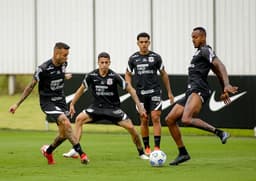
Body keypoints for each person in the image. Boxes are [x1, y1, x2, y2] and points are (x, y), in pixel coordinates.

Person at [165, 27, 238, 166]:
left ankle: (220, 133)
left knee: (186, 119)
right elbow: (217, 72)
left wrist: (227, 85)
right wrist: (224, 89)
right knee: (170, 119)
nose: (193, 40)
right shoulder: (199, 53)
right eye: (192, 37)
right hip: (190, 92)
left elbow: (220, 65)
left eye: (196, 37)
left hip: (199, 90)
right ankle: (183, 153)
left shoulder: (205, 50)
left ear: (203, 37)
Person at [9, 42, 89, 165]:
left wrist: (63, 76)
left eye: (67, 55)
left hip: (61, 101)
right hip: (48, 102)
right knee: (66, 122)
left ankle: (48, 151)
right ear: (56, 54)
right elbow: (30, 87)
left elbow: (57, 75)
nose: (66, 58)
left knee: (63, 134)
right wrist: (17, 104)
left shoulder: (64, 64)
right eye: (64, 55)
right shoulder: (43, 69)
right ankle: (82, 154)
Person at [62, 52, 149, 160]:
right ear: (98, 63)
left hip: (113, 109)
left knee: (132, 129)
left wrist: (140, 107)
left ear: (109, 63)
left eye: (106, 62)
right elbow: (81, 89)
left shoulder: (114, 76)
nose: (104, 65)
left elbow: (131, 90)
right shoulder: (91, 75)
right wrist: (72, 104)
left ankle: (141, 153)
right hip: (96, 108)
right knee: (79, 119)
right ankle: (75, 150)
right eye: (102, 62)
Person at [125, 32, 174, 155]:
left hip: (154, 92)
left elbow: (164, 74)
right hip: (140, 94)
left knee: (156, 117)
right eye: (141, 42)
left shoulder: (156, 57)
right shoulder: (133, 59)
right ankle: (147, 147)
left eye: (146, 42)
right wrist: (129, 87)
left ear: (149, 42)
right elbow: (127, 74)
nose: (144, 44)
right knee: (144, 119)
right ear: (137, 43)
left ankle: (157, 147)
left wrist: (169, 92)